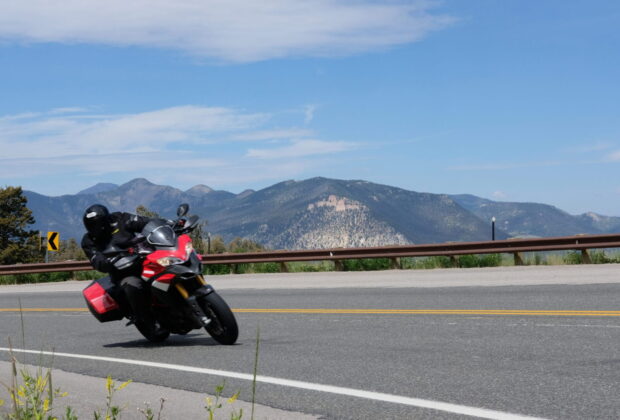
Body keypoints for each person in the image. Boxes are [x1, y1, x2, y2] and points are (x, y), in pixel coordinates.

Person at [81, 204, 168, 340]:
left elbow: (144, 222)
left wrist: (166, 224)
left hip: (144, 259)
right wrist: (107, 262)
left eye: (97, 224)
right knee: (132, 285)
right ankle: (148, 321)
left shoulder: (120, 219)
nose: (95, 228)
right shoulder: (88, 241)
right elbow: (95, 259)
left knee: (171, 266)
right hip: (123, 272)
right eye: (91, 225)